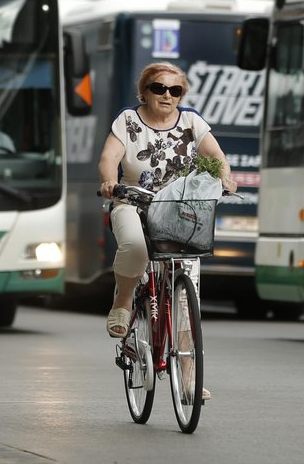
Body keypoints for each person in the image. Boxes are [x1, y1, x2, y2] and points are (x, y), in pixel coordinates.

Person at [98, 62, 237, 402]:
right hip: (134, 201)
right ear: (144, 91)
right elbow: (109, 156)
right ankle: (124, 300)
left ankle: (188, 382)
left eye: (175, 90)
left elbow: (217, 157)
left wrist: (226, 178)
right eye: (159, 88)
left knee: (188, 306)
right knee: (134, 245)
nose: (167, 96)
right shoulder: (128, 121)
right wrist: (109, 181)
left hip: (180, 208)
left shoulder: (192, 122)